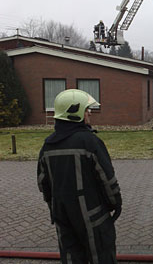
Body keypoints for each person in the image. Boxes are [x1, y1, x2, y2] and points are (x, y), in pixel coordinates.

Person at [37, 89, 122, 264]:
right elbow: (107, 178)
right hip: (93, 216)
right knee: (102, 256)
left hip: (63, 216)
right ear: (75, 113)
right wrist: (115, 202)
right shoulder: (89, 142)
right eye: (86, 109)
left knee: (70, 257)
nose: (89, 113)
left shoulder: (48, 146)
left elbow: (43, 183)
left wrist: (54, 207)